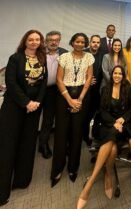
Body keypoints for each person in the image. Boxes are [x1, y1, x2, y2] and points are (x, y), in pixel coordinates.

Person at [77, 65, 131, 209]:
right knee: (113, 147)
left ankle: (90, 182)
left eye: (119, 73)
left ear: (123, 75)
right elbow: (102, 111)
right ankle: (108, 174)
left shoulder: (128, 89)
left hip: (124, 125)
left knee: (113, 138)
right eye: (115, 73)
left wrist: (122, 119)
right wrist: (113, 123)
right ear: (111, 75)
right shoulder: (105, 89)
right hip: (106, 124)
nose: (117, 76)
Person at [0, 29, 47, 206]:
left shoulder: (42, 59)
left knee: (27, 144)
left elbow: (43, 83)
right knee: (7, 146)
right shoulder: (15, 58)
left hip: (33, 109)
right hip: (14, 108)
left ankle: (21, 180)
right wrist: (26, 102)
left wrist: (37, 103)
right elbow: (11, 83)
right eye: (31, 39)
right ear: (25, 41)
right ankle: (2, 191)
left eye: (37, 39)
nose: (34, 42)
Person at [51, 33, 94, 187]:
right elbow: (58, 79)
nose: (80, 44)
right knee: (61, 133)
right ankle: (57, 169)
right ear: (72, 42)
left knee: (77, 133)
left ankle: (72, 168)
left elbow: (89, 78)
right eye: (77, 41)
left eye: (83, 42)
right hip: (64, 96)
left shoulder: (89, 57)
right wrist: (70, 100)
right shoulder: (64, 57)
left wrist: (80, 100)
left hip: (82, 96)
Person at [38, 30, 67, 159]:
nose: (54, 42)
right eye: (51, 40)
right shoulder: (40, 53)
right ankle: (43, 145)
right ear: (46, 41)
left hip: (60, 89)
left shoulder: (65, 52)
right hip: (43, 90)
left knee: (61, 117)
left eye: (56, 40)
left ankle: (61, 145)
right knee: (48, 118)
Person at [82, 35, 105, 146]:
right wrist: (87, 79)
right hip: (84, 90)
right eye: (93, 42)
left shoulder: (102, 55)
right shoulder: (84, 53)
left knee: (96, 114)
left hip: (98, 91)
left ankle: (94, 135)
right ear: (90, 43)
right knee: (85, 115)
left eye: (98, 42)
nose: (95, 44)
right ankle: (84, 136)